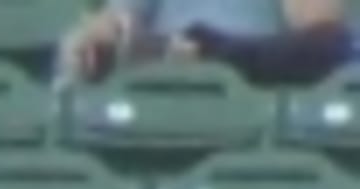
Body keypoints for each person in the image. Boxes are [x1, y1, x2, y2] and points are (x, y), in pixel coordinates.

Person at [62, 0, 347, 86]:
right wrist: (101, 35)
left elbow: (321, 38)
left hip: (250, 90)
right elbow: (117, 21)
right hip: (159, 82)